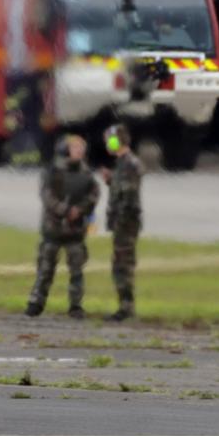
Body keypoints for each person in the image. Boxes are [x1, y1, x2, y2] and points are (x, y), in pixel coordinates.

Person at [26, 134, 100, 319]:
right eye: (75, 149)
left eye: (81, 149)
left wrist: (80, 210)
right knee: (45, 269)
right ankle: (36, 302)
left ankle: (76, 305)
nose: (79, 153)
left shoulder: (86, 174)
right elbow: (48, 196)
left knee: (77, 270)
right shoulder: (53, 171)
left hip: (75, 231)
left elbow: (93, 195)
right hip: (54, 229)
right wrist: (64, 210)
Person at [100, 123, 142, 322]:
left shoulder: (129, 164)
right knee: (119, 264)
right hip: (122, 223)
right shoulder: (123, 164)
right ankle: (124, 305)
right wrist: (111, 181)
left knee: (122, 265)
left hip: (125, 223)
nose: (107, 143)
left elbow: (128, 197)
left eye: (109, 139)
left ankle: (126, 307)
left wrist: (120, 221)